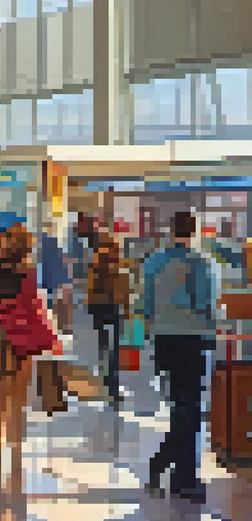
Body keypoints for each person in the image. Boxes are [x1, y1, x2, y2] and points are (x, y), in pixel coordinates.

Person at [0, 221, 57, 494]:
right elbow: (33, 306)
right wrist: (48, 336)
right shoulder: (27, 272)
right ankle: (15, 446)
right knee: (19, 396)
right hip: (24, 335)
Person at [140, 211, 220, 503]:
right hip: (191, 338)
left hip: (164, 339)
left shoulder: (154, 262)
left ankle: (182, 477)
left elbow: (146, 305)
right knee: (192, 409)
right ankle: (171, 468)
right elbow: (204, 303)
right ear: (194, 231)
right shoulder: (200, 263)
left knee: (179, 407)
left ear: (171, 229)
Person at [86, 230, 133, 404]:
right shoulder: (119, 268)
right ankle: (113, 388)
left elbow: (90, 293)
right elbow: (124, 294)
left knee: (103, 349)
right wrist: (127, 313)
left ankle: (106, 386)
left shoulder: (94, 267)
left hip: (99, 310)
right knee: (114, 353)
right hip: (114, 310)